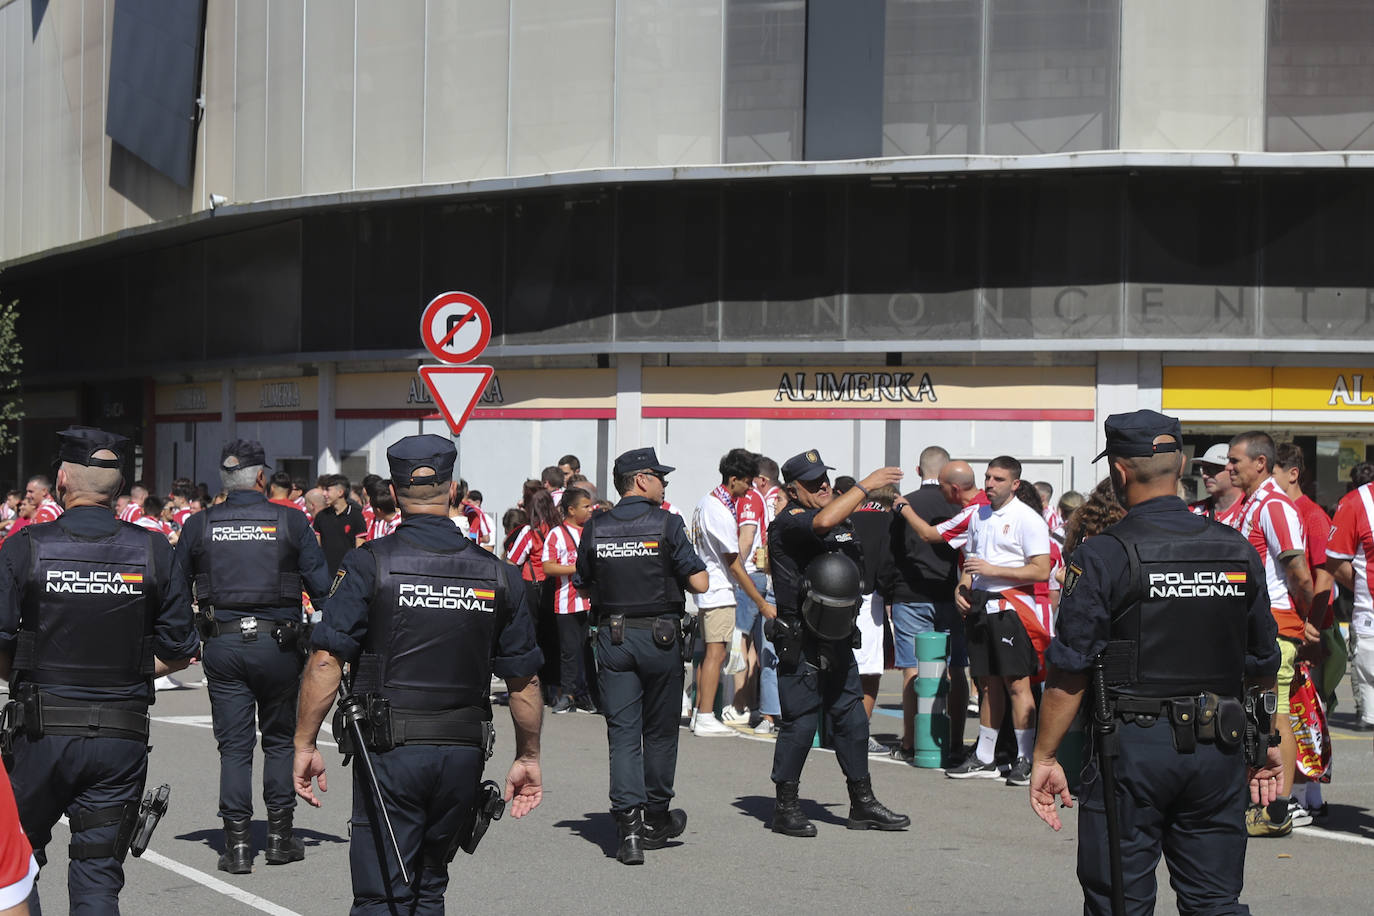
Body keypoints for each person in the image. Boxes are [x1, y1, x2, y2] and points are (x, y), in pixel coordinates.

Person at [1029, 409, 1282, 915]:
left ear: (1119, 473)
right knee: (1215, 901)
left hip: (1132, 749)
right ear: (1182, 462)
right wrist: (1266, 741)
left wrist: (1046, 757)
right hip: (1220, 745)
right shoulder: (1234, 548)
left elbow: (1069, 668)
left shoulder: (1102, 554)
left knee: (1119, 900)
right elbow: (1262, 661)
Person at [294, 435, 545, 913]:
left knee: (381, 893)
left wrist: (305, 744)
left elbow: (327, 660)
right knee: (429, 886)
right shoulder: (499, 573)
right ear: (453, 490)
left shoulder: (369, 562)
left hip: (390, 754)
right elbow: (524, 681)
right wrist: (528, 755)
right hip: (462, 754)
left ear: (393, 489)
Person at [0, 427, 199, 912]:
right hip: (119, 738)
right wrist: (128, 669)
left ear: (62, 479)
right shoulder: (154, 550)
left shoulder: (25, 545)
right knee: (98, 877)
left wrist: (25, 671)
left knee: (15, 877)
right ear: (117, 487)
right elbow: (181, 649)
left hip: (39, 734)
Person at [172, 439, 333, 873]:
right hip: (280, 645)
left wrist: (180, 643)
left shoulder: (198, 525)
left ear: (225, 480)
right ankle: (280, 838)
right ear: (262, 478)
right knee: (280, 741)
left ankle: (238, 846)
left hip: (222, 644)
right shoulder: (291, 521)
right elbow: (322, 590)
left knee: (235, 748)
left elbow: (173, 590)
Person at [573, 448, 709, 864]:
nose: (665, 484)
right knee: (661, 732)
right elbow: (700, 582)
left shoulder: (595, 526)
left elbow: (582, 583)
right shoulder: (666, 523)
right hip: (660, 639)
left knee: (623, 734)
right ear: (641, 479)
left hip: (613, 640)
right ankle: (657, 816)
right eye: (660, 476)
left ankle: (628, 830)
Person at [765, 449, 909, 837]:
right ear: (792, 491)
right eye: (812, 483)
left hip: (839, 638)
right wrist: (866, 485)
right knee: (800, 724)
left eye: (825, 478)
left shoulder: (841, 523)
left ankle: (862, 804)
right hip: (801, 641)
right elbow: (823, 521)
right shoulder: (790, 522)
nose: (823, 485)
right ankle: (786, 806)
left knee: (852, 720)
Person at [898, 457, 1051, 785]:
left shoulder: (1028, 519)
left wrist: (993, 571)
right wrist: (962, 588)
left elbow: (1041, 569)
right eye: (988, 477)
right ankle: (985, 756)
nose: (991, 484)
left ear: (1015, 485)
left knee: (1017, 683)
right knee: (986, 683)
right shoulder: (978, 515)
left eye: (998, 478)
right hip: (981, 606)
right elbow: (970, 562)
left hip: (1013, 608)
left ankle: (1025, 757)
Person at [1227, 430, 1314, 836]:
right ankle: (1262, 803)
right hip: (1254, 624)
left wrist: (1303, 618)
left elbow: (1299, 574)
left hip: (1275, 625)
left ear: (1260, 463)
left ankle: (1279, 808)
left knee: (1276, 713)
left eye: (1234, 461)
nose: (1229, 468)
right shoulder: (1252, 503)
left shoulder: (1275, 506)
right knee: (1258, 714)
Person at [887, 446, 970, 763]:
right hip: (952, 593)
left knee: (912, 667)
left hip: (911, 594)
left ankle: (912, 740)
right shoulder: (958, 504)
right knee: (957, 666)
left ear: (919, 471)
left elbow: (891, 553)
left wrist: (890, 591)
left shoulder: (905, 504)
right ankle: (957, 739)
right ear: (948, 472)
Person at [690, 449, 772, 737]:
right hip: (719, 589)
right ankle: (704, 715)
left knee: (710, 654)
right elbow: (735, 563)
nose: (749, 488)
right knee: (716, 654)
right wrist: (760, 602)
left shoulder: (706, 503)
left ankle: (701, 711)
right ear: (733, 479)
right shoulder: (719, 510)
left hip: (710, 588)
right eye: (746, 482)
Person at [543, 487, 596, 714]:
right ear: (571, 510)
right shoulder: (556, 534)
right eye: (585, 506)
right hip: (566, 602)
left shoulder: (592, 531)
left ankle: (589, 695)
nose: (591, 509)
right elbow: (548, 566)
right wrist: (577, 567)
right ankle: (567, 694)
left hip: (591, 602)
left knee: (589, 651)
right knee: (569, 651)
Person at [313, 474, 366, 575]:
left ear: (340, 492)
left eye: (328, 490)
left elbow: (360, 549)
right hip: (325, 573)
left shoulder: (356, 516)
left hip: (348, 573)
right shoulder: (321, 516)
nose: (324, 494)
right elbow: (316, 546)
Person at [1189, 443, 1245, 526]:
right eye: (1203, 469)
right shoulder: (1192, 512)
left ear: (1233, 470)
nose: (1205, 475)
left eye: (1212, 469)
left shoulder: (1253, 508)